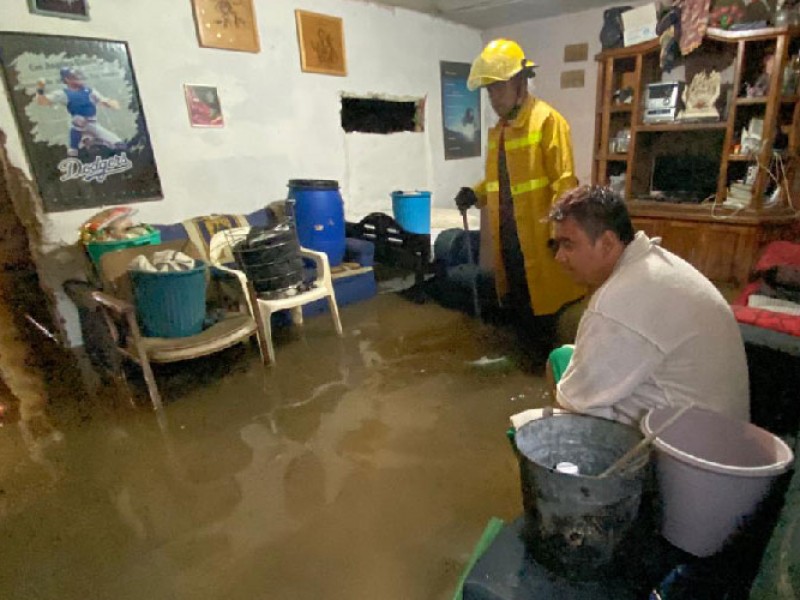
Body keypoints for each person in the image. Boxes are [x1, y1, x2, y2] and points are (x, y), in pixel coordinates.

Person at [546, 185, 750, 425]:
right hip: (721, 427)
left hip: (687, 451)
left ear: (608, 243)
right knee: (564, 357)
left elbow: (571, 404)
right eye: (557, 246)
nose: (559, 257)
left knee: (557, 412)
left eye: (568, 245)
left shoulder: (616, 302)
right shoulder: (653, 264)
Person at [454, 39, 585, 354]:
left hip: (540, 241)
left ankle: (545, 369)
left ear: (519, 82)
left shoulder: (547, 121)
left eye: (498, 88)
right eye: (489, 90)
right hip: (509, 238)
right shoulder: (501, 129)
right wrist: (475, 192)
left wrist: (560, 234)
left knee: (546, 310)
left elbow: (564, 184)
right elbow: (500, 181)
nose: (493, 97)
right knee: (517, 304)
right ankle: (524, 360)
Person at [36, 67, 125, 157]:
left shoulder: (89, 91)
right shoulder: (63, 93)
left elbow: (103, 101)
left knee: (119, 145)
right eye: (75, 76)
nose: (79, 78)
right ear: (67, 79)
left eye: (79, 76)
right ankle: (83, 146)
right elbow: (42, 101)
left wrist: (111, 103)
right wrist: (40, 89)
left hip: (92, 124)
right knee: (74, 150)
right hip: (78, 127)